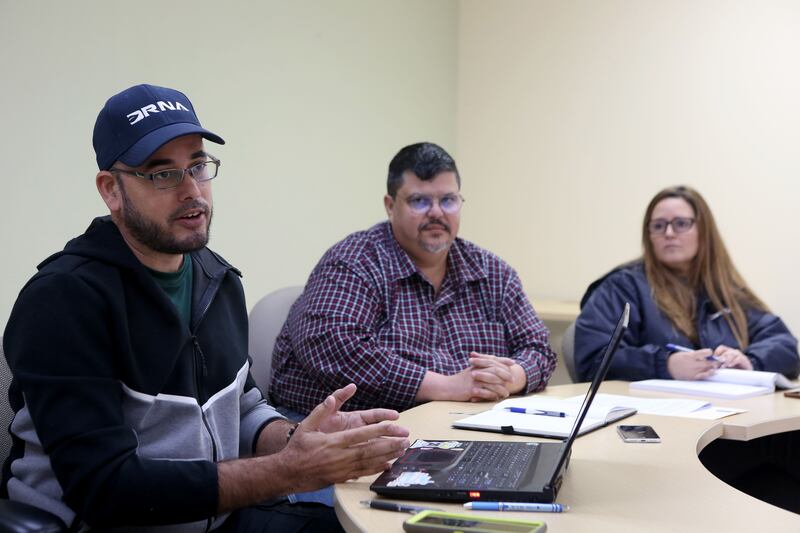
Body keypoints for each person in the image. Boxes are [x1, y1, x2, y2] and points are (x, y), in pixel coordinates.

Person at [0, 84, 409, 532]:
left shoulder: (217, 279)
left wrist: (300, 437)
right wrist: (291, 470)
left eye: (197, 165)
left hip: (214, 520)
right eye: (162, 174)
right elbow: (106, 489)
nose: (192, 190)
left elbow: (244, 411)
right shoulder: (63, 301)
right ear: (111, 190)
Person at [270, 142, 557, 416]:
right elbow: (331, 346)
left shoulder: (493, 272)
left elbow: (538, 348)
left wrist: (509, 378)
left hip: (463, 428)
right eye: (419, 201)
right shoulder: (354, 262)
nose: (436, 212)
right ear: (390, 205)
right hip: (349, 434)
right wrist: (447, 386)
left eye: (448, 200)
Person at [575, 185, 799, 382]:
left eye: (681, 224)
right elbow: (594, 360)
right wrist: (666, 364)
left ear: (704, 231)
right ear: (649, 235)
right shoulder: (622, 287)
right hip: (657, 416)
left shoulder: (723, 290)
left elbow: (785, 345)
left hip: (729, 412)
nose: (669, 233)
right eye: (659, 226)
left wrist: (749, 361)